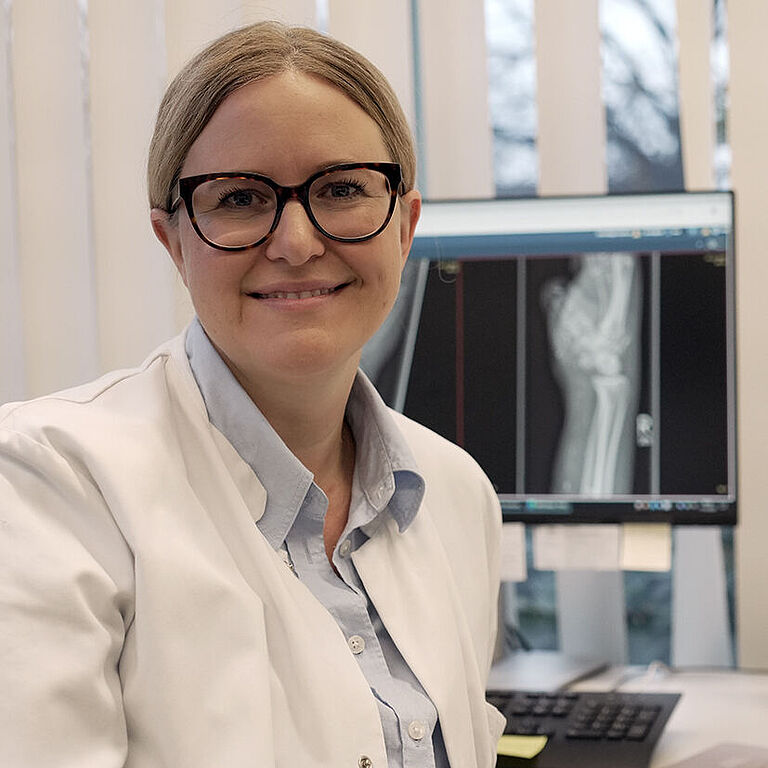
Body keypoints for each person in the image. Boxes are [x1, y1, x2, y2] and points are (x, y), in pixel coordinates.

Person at [0, 21, 504, 768]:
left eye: (340, 189)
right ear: (173, 241)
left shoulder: (455, 493)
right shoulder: (48, 487)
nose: (296, 242)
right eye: (239, 198)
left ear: (405, 225)